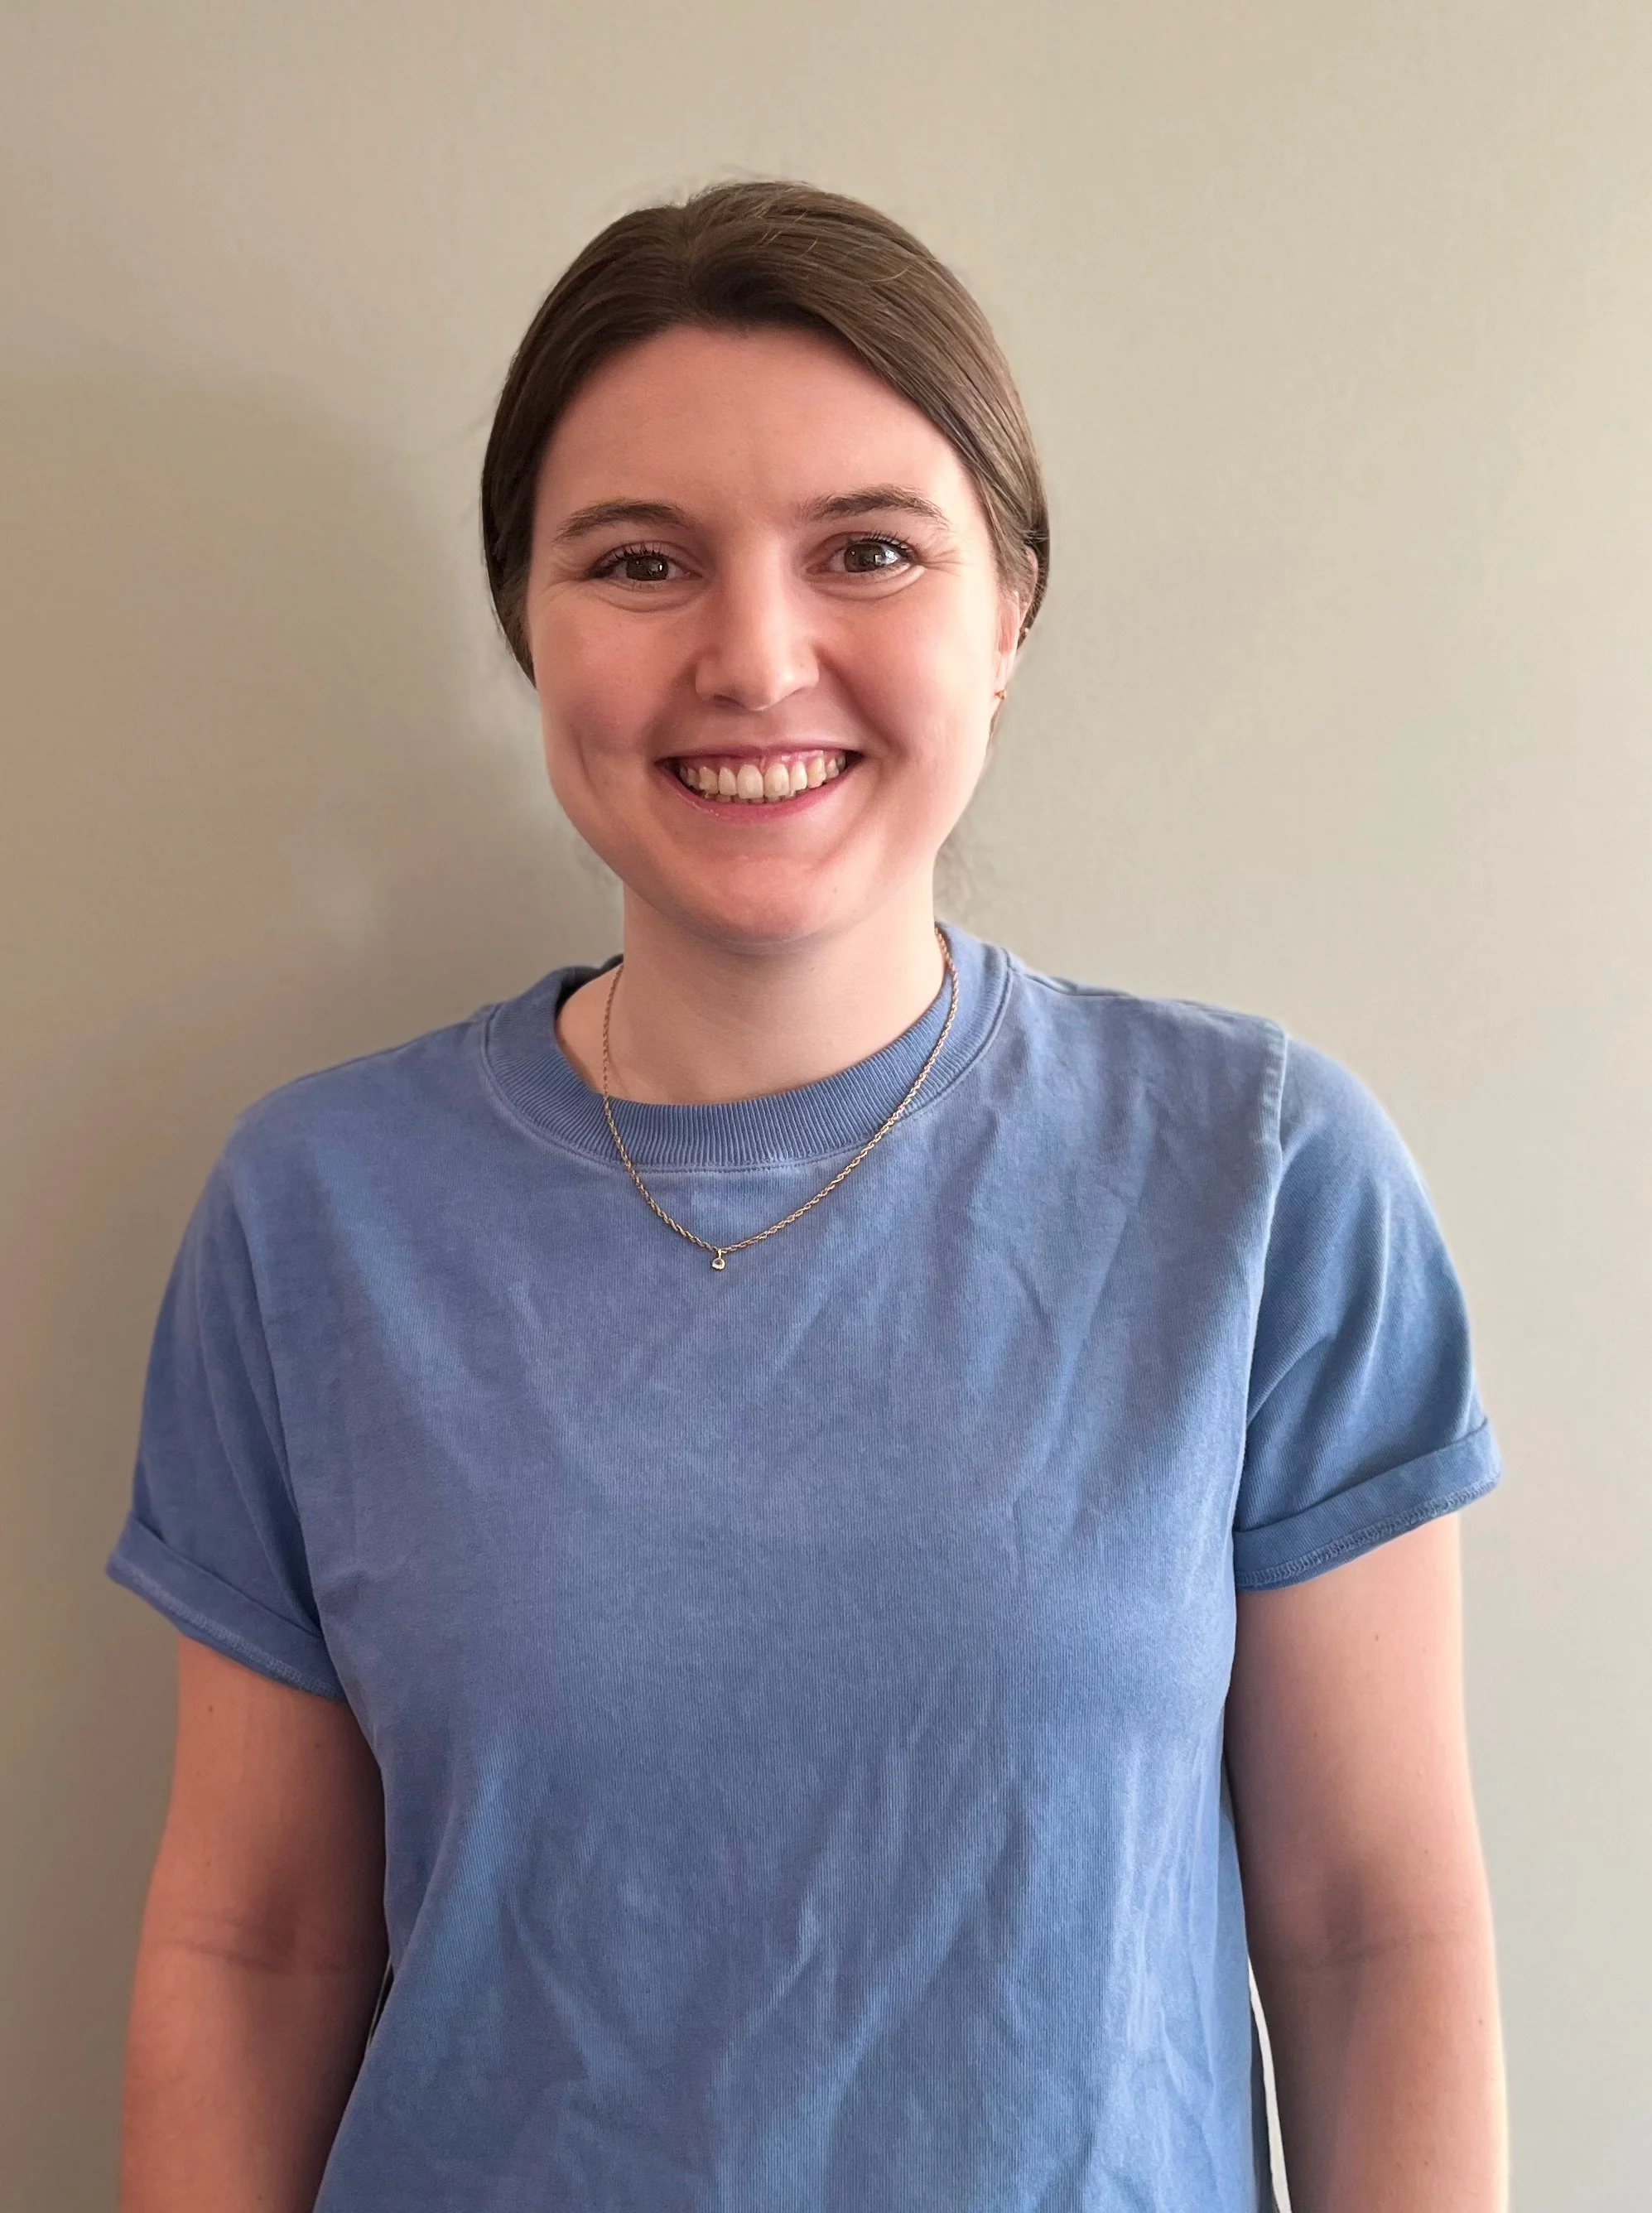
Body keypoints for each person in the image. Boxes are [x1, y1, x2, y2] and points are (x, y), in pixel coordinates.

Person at [107, 180, 1508, 2212]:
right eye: (638, 561)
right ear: (525, 626)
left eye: (868, 550)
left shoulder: (1263, 1180)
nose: (755, 659)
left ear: (1006, 613)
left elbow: (1373, 1932)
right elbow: (259, 1948)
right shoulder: (317, 1217)